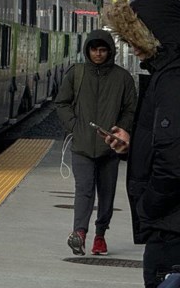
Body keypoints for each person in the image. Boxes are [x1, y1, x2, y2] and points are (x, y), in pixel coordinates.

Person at [103, 0, 180, 288]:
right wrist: (134, 147)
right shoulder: (167, 74)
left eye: (135, 37)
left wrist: (148, 206)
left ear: (155, 34)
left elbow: (174, 162)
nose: (132, 47)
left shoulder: (172, 80)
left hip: (171, 233)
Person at [55, 29, 137, 256]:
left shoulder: (123, 78)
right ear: (87, 50)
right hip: (82, 146)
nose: (98, 54)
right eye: (94, 50)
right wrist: (74, 127)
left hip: (110, 148)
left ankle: (100, 235)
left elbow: (131, 109)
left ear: (110, 51)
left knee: (107, 194)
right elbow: (61, 103)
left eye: (102, 50)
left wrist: (120, 130)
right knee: (83, 190)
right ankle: (79, 234)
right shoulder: (76, 74)